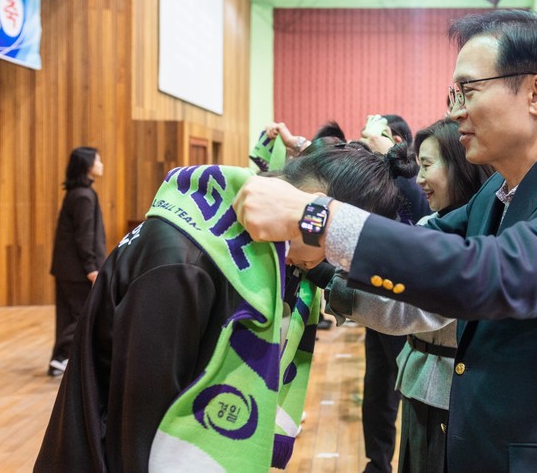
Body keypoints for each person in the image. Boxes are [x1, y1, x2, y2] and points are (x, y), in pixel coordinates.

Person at [235, 9, 537, 472]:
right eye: (454, 94)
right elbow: (421, 263)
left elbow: (490, 273)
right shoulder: (496, 193)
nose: (455, 111)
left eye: (468, 91)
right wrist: (319, 265)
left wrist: (319, 219)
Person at [35, 139, 413, 472]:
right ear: (312, 204)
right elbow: (136, 429)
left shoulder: (223, 233)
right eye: (332, 247)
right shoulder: (186, 261)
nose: (322, 265)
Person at [325, 118, 494, 473]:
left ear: (461, 167)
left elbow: (405, 308)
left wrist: (322, 270)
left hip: (449, 392)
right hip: (418, 379)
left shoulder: (476, 238)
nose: (419, 178)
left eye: (427, 166)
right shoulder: (433, 224)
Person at [357, 113, 431, 472]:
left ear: (397, 141)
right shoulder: (379, 179)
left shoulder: (416, 181)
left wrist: (389, 153)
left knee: (411, 394)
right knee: (377, 390)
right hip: (376, 297)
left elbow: (418, 211)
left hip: (409, 308)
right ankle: (377, 462)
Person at [48, 146, 105, 377]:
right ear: (87, 165)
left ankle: (58, 360)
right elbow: (84, 236)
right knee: (81, 315)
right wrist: (91, 268)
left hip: (68, 268)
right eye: (98, 160)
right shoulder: (83, 196)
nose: (101, 164)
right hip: (78, 270)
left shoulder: (78, 193)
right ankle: (62, 357)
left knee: (68, 315)